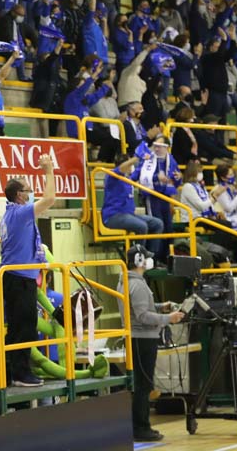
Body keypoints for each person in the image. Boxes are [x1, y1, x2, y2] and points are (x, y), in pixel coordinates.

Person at [0, 154, 56, 389]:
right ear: (20, 196)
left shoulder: (13, 213)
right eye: (27, 188)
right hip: (19, 278)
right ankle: (21, 374)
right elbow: (50, 198)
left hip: (17, 277)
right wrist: (48, 170)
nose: (31, 190)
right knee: (24, 328)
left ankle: (12, 372)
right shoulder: (20, 213)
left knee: (17, 328)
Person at [119, 244, 185, 443]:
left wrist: (161, 307)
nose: (149, 260)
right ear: (139, 261)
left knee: (142, 384)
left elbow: (142, 308)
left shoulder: (131, 281)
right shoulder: (137, 284)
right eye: (146, 257)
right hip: (143, 339)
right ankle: (141, 427)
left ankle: (140, 426)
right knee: (143, 385)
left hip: (139, 339)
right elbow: (142, 316)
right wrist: (169, 318)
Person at [101, 154, 164, 257]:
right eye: (130, 164)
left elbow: (141, 172)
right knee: (142, 226)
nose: (132, 166)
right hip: (113, 216)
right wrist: (137, 157)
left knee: (157, 224)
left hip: (129, 215)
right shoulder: (112, 175)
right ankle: (138, 256)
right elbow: (120, 169)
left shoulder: (128, 178)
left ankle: (153, 256)